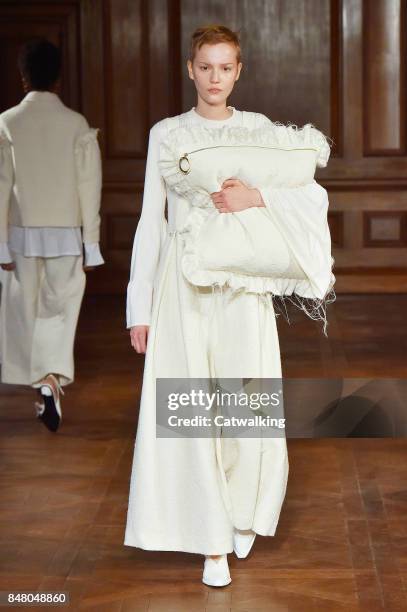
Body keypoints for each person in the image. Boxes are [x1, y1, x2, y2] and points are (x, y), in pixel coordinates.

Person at [124, 24, 332, 587]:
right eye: (205, 66)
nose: (215, 77)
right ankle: (210, 539)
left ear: (239, 72)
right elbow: (151, 223)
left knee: (242, 401)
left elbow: (306, 189)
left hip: (242, 288)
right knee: (191, 407)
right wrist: (138, 308)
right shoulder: (166, 134)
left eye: (225, 67)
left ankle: (240, 511)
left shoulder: (259, 131)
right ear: (190, 69)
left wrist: (255, 195)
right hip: (182, 289)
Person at [0, 38, 104, 432]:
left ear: (22, 76)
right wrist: (91, 245)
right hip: (66, 233)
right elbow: (88, 186)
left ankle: (40, 381)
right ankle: (50, 380)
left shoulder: (8, 122)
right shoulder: (75, 124)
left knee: (22, 310)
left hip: (20, 234)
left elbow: (0, 185)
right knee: (60, 312)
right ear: (59, 79)